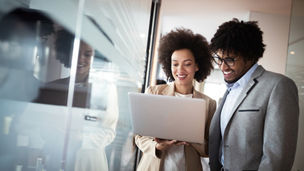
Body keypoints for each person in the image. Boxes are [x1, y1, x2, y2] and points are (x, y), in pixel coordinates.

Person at [208, 18, 299, 171]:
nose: (222, 66)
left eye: (230, 59)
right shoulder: (230, 89)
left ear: (250, 56)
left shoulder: (278, 86)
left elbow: (277, 157)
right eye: (219, 58)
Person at [135, 28, 216, 171]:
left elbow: (210, 149)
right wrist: (158, 146)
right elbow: (139, 137)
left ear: (197, 66)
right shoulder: (154, 92)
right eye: (175, 64)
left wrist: (192, 139)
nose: (180, 70)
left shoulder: (209, 104)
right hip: (154, 166)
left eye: (187, 63)